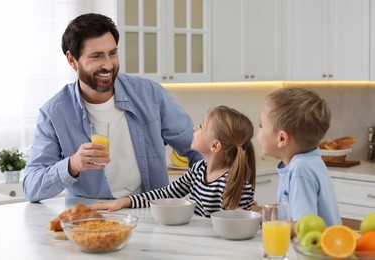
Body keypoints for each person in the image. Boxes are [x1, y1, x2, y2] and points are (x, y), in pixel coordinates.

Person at [23, 13, 202, 202]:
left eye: (113, 53)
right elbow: (32, 187)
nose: (108, 65)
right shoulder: (54, 114)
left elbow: (199, 150)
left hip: (151, 212)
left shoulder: (150, 94)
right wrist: (72, 164)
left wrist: (205, 195)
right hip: (93, 219)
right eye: (96, 56)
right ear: (72, 60)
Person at [91, 106, 256, 217]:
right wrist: (124, 201)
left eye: (202, 126)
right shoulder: (199, 169)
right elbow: (165, 193)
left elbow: (236, 228)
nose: (195, 128)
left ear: (215, 145)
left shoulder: (235, 182)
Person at [257, 87, 341, 233]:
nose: (258, 131)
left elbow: (304, 228)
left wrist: (270, 224)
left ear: (282, 138)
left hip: (316, 253)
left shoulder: (300, 170)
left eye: (261, 126)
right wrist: (278, 208)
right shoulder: (310, 160)